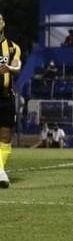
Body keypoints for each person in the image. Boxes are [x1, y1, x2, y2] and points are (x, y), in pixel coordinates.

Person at [0, 14, 21, 188]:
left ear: (3, 23)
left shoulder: (13, 47)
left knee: (6, 137)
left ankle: (0, 171)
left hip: (6, 98)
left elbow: (18, 65)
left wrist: (10, 68)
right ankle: (0, 173)